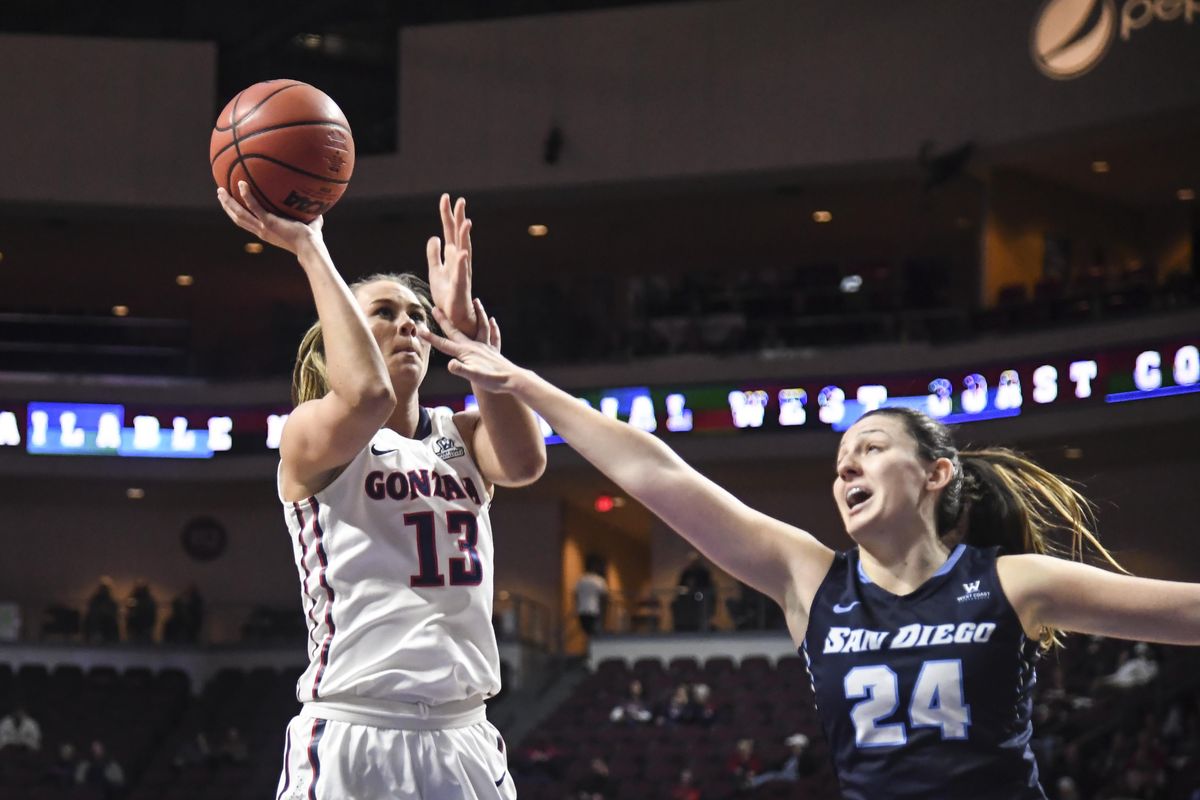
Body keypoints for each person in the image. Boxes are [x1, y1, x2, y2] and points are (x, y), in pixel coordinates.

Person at [418, 318, 1200, 800]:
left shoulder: (1008, 582)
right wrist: (521, 382)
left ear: (937, 474)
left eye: (870, 449)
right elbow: (659, 474)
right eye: (838, 460)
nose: (846, 468)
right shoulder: (811, 579)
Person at [217, 183, 545, 800]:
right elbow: (367, 396)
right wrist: (309, 248)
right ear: (339, 338)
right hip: (355, 727)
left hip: (464, 731)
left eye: (418, 317)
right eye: (385, 314)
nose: (409, 326)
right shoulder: (309, 433)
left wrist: (475, 343)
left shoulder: (462, 434)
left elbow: (526, 464)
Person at [574, 555, 609, 637]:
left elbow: (575, 595)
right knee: (594, 632)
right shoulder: (599, 580)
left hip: (582, 609)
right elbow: (604, 596)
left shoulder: (581, 580)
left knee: (587, 631)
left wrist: (576, 607)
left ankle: (590, 646)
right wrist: (604, 613)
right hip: (594, 609)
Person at [83, 578, 119, 643]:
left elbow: (114, 609)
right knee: (91, 618)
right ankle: (94, 635)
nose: (103, 590)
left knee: (110, 621)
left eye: (105, 589)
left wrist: (106, 612)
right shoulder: (95, 599)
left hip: (108, 618)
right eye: (102, 589)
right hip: (96, 616)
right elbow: (92, 607)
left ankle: (109, 637)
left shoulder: (110, 600)